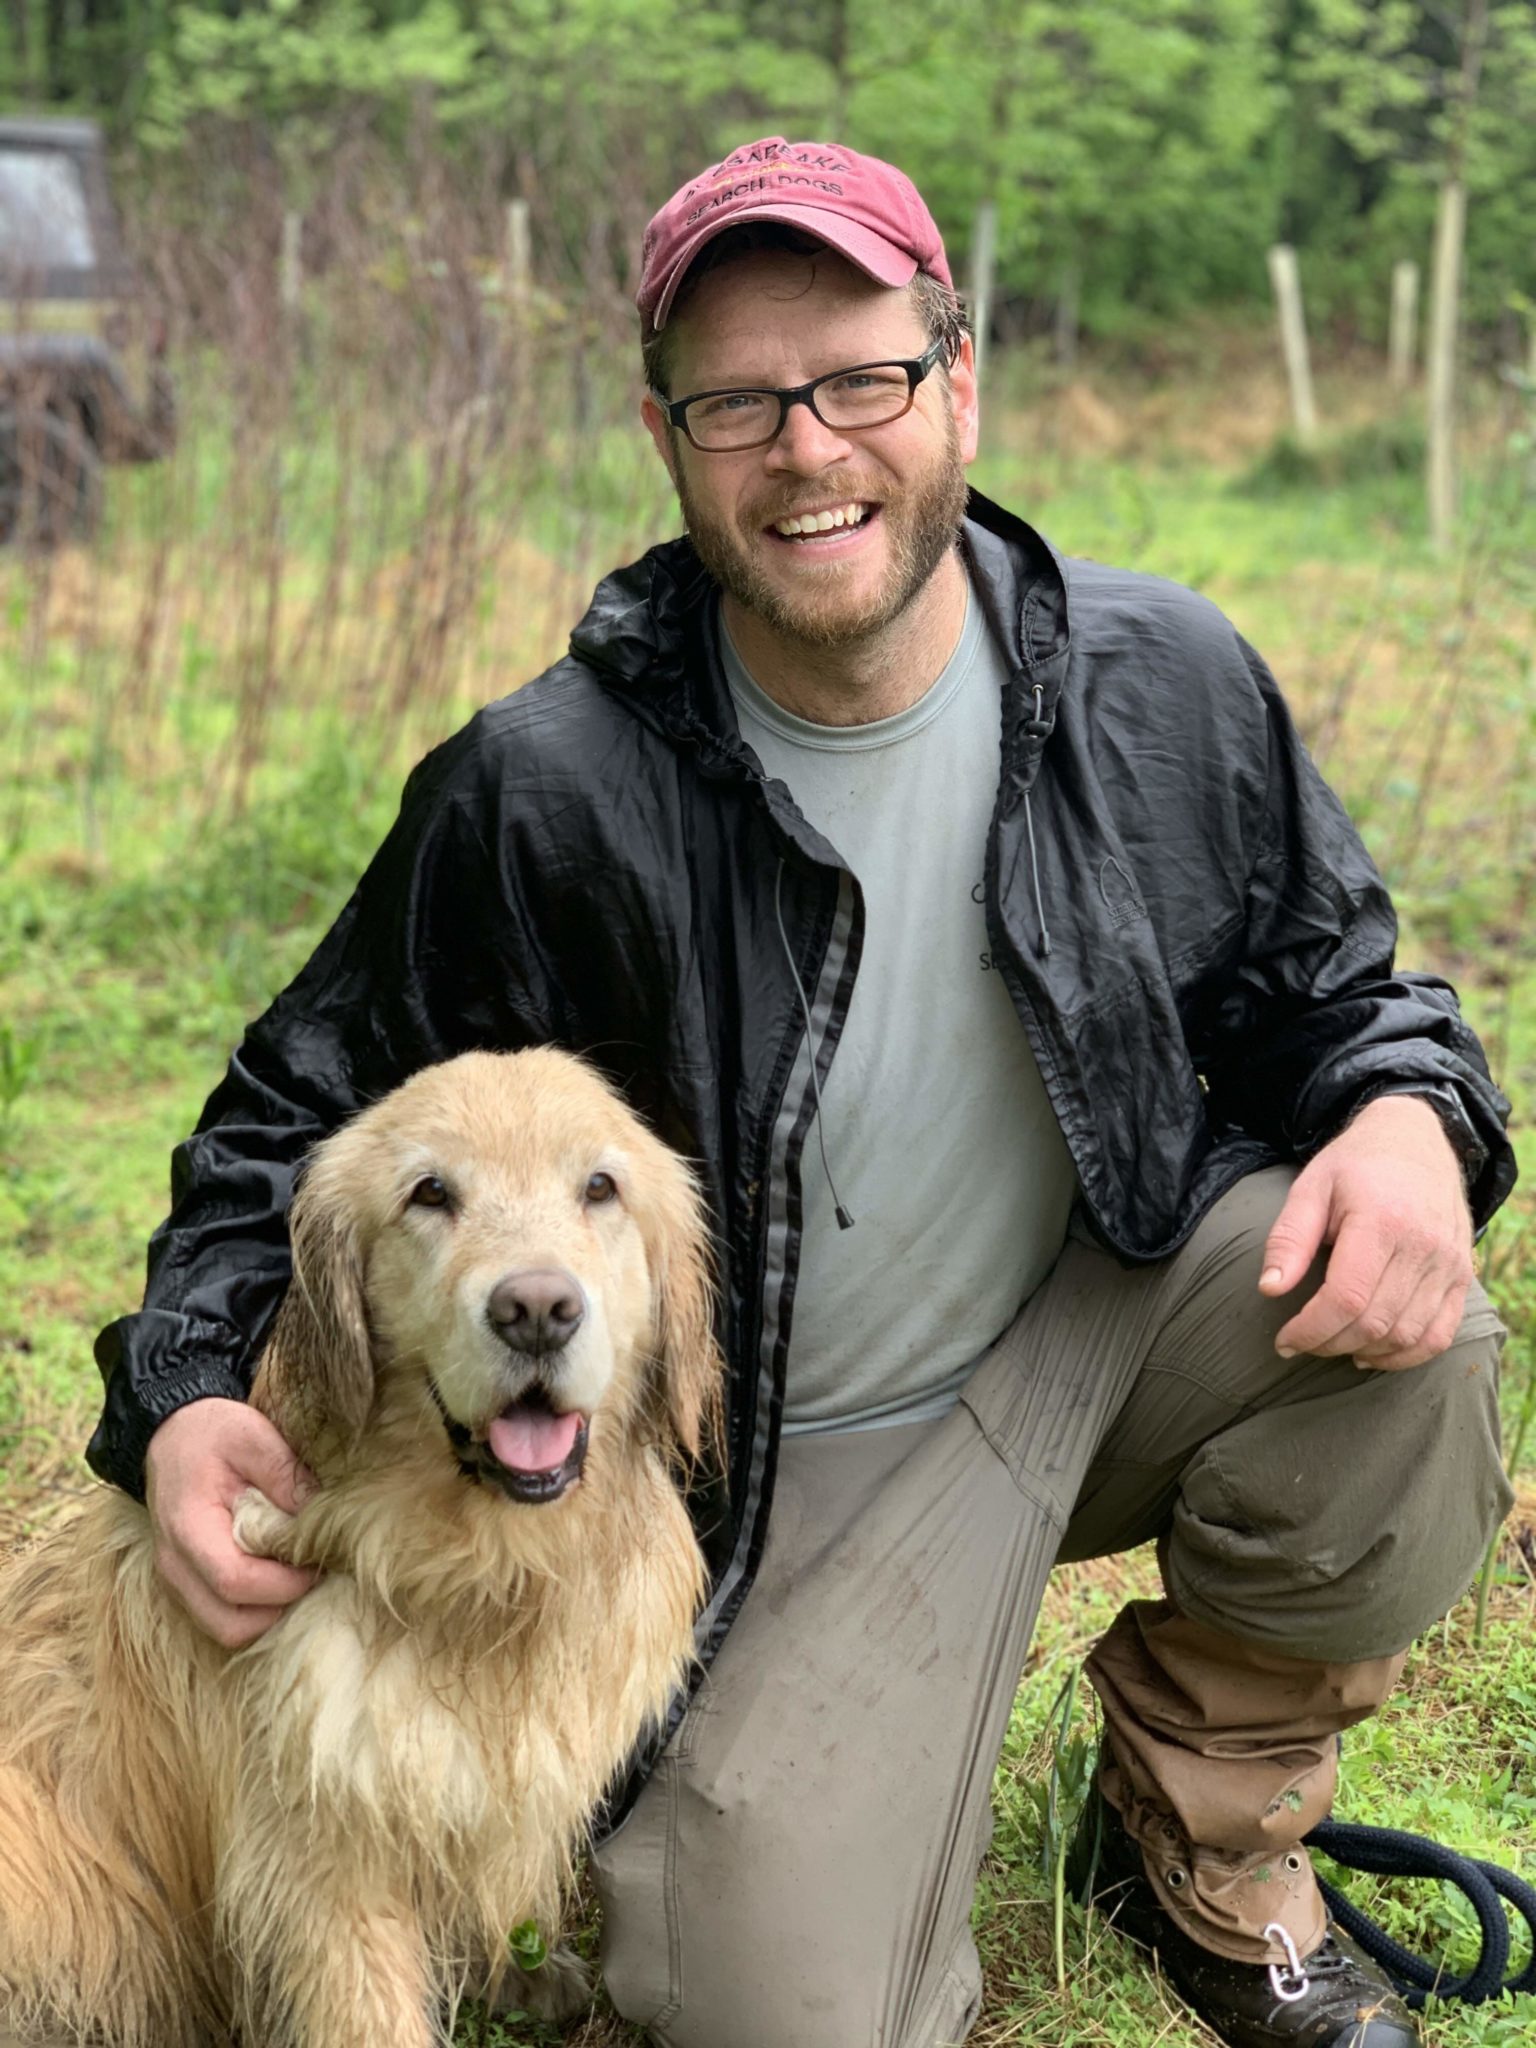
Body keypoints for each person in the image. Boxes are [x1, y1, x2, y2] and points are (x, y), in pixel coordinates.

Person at [89, 138, 1517, 2048]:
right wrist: (182, 1396)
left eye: (862, 379)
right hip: (759, 1454)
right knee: (777, 2008)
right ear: (669, 437)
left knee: (1404, 1344)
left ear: (958, 377)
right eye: (741, 402)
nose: (810, 448)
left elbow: (1338, 995)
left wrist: (1410, 1120)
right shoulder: (546, 784)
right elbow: (288, 1110)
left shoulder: (1157, 681)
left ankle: (1201, 1827)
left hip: (1092, 1320)